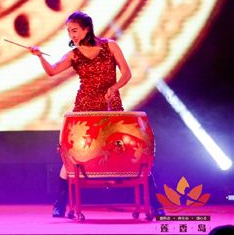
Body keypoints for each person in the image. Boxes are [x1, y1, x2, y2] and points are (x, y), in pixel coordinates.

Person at [29, 11, 164, 218]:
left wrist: (114, 87)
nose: (72, 35)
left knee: (129, 154)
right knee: (74, 156)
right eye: (69, 31)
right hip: (85, 108)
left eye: (75, 30)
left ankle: (154, 203)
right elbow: (52, 71)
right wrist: (39, 56)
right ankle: (61, 204)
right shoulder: (74, 54)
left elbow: (127, 73)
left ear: (87, 29)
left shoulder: (110, 46)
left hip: (110, 105)